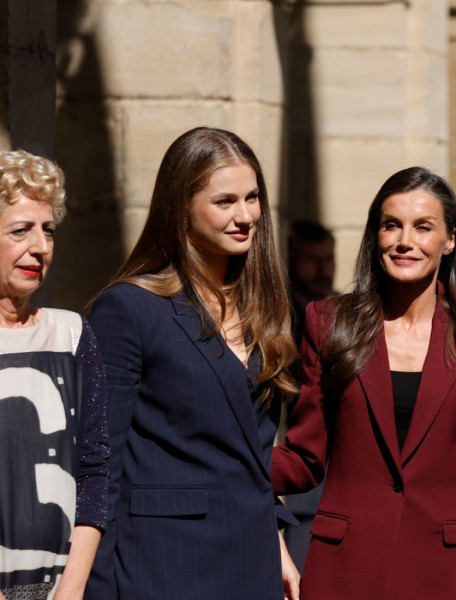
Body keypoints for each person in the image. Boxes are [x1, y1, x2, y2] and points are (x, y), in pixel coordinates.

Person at [271, 166, 456, 600]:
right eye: (391, 225)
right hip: (345, 569)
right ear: (376, 235)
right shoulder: (329, 325)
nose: (405, 241)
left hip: (447, 574)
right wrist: (225, 464)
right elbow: (305, 456)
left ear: (450, 239)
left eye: (424, 227)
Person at [84, 127, 301, 600]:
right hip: (164, 565)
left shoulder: (265, 308)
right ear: (181, 206)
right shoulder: (129, 308)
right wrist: (98, 589)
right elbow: (100, 464)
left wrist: (277, 536)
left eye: (252, 198)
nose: (245, 216)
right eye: (225, 202)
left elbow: (251, 454)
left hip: (252, 561)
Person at [0, 150, 109, 600]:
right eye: (20, 231)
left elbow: (95, 467)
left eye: (48, 230)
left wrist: (72, 587)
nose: (41, 247)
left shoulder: (73, 333)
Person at [282, 219, 336, 571]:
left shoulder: (343, 316)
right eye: (311, 260)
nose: (322, 270)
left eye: (328, 259)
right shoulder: (282, 318)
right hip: (299, 493)